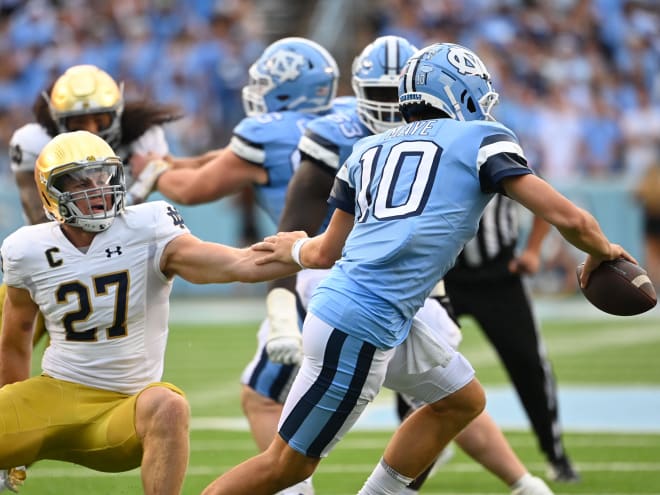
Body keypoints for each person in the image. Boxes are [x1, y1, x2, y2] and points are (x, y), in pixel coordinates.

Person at [201, 42, 635, 495]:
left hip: (361, 308)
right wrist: (603, 251)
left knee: (460, 401)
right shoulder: (482, 138)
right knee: (286, 467)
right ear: (461, 93)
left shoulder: (366, 149)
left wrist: (294, 249)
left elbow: (324, 254)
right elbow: (572, 218)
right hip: (362, 322)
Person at [262, 35, 554, 495]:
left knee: (456, 398)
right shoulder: (339, 137)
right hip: (358, 292)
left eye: (388, 93)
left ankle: (522, 483)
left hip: (398, 290)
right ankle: (519, 484)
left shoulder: (424, 142)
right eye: (374, 95)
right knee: (288, 458)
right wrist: (281, 301)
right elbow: (309, 233)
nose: (382, 105)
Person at [0, 131, 297, 494]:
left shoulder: (148, 226)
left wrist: (306, 252)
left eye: (101, 176)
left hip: (123, 410)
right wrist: (13, 437)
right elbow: (15, 339)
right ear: (51, 190)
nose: (95, 189)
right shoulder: (26, 249)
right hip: (54, 395)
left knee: (168, 406)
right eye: (78, 181)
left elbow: (237, 264)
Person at [132, 36, 343, 495]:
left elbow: (193, 189)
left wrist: (153, 170)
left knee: (261, 395)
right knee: (444, 389)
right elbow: (221, 159)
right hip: (367, 265)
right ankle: (522, 482)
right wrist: (171, 162)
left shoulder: (265, 132)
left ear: (286, 88)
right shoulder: (343, 117)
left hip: (316, 276)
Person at [1, 64, 182, 356]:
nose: (91, 130)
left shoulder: (143, 138)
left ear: (117, 113)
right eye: (78, 121)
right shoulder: (33, 143)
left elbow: (172, 191)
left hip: (114, 264)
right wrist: (140, 187)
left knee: (89, 361)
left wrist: (163, 172)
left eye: (100, 119)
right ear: (57, 120)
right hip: (49, 258)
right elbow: (43, 218)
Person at [443, 195, 581, 482]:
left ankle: (555, 453)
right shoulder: (431, 151)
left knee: (528, 363)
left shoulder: (499, 150)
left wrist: (532, 251)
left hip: (500, 276)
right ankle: (427, 447)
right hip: (442, 275)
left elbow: (545, 201)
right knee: (418, 363)